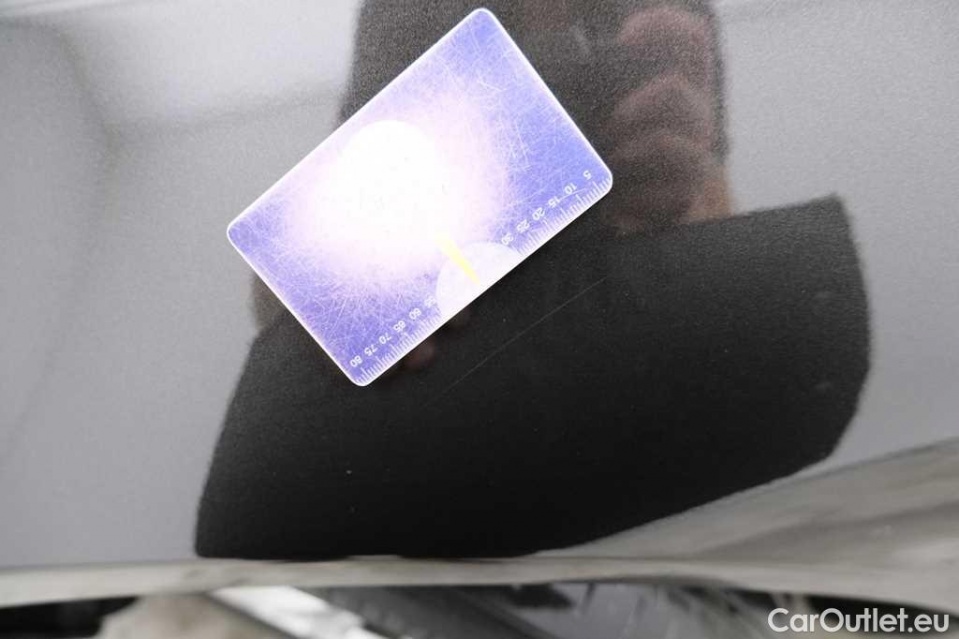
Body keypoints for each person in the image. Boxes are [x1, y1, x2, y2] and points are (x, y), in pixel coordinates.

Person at [197, 0, 869, 560]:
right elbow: (288, 298)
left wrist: (682, 207)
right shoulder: (406, 12)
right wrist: (330, 276)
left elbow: (723, 238)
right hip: (449, 394)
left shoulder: (664, 17)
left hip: (599, 365)